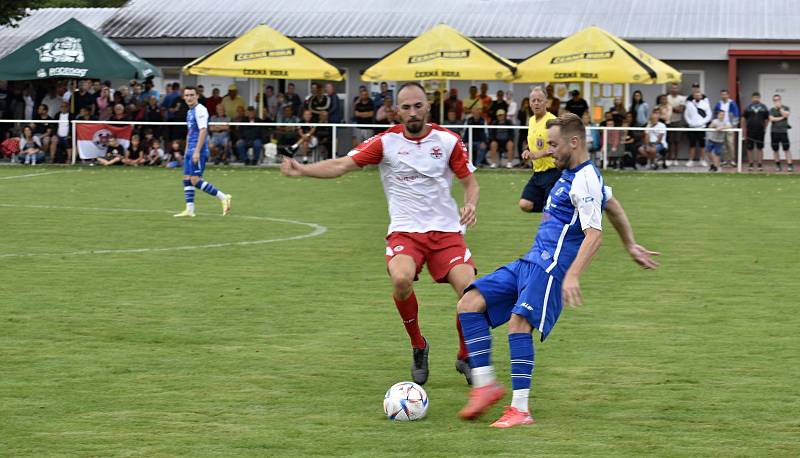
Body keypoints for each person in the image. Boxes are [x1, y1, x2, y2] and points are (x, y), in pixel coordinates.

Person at [455, 112, 660, 428]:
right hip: (531, 260)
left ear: (574, 142)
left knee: (518, 323)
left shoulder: (585, 179)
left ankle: (520, 410)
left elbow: (595, 234)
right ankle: (484, 387)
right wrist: (631, 244)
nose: (549, 151)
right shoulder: (573, 175)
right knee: (469, 302)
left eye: (554, 145)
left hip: (551, 267)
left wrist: (573, 274)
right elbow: (612, 204)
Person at [281, 82, 480, 386]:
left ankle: (465, 355)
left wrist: (470, 203)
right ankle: (418, 346)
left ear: (428, 106)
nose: (412, 112)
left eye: (417, 106)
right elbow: (342, 165)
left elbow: (470, 182)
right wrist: (303, 170)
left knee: (470, 290)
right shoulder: (385, 142)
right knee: (400, 279)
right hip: (405, 232)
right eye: (406, 107)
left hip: (446, 231)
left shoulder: (449, 140)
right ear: (396, 110)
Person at [173, 86, 232, 218]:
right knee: (187, 178)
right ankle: (189, 209)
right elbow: (190, 132)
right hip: (191, 149)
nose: (189, 97)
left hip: (198, 148)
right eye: (187, 95)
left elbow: (203, 131)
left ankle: (224, 197)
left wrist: (196, 151)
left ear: (197, 96)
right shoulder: (190, 111)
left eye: (191, 95)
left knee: (195, 180)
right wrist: (188, 150)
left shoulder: (200, 110)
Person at [519, 87, 557, 213]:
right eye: (533, 100)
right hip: (537, 173)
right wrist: (527, 150)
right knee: (525, 204)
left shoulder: (552, 121)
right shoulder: (531, 120)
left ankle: (553, 211)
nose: (536, 103)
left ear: (546, 102)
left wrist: (539, 154)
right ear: (529, 103)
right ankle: (554, 209)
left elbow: (559, 147)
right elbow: (534, 142)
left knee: (550, 214)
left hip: (553, 172)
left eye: (539, 100)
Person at [684, 86, 712, 167]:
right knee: (692, 144)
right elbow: (686, 114)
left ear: (701, 96)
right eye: (695, 95)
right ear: (693, 96)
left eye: (699, 95)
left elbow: (709, 115)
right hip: (691, 127)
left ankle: (702, 160)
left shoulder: (705, 104)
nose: (697, 96)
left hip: (702, 127)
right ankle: (691, 160)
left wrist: (702, 123)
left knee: (702, 145)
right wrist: (690, 123)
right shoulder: (689, 104)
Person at [713, 89, 740, 167]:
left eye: (725, 94)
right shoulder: (719, 103)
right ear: (720, 95)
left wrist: (733, 126)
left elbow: (736, 115)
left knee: (730, 144)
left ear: (728, 95)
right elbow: (715, 114)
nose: (724, 96)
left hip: (729, 127)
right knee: (723, 144)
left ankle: (731, 160)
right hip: (720, 127)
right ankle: (725, 160)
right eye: (722, 94)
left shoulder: (732, 103)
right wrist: (716, 124)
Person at [743, 92, 769, 172]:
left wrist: (765, 128)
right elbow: (743, 118)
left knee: (760, 148)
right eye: (754, 97)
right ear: (752, 98)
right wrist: (743, 129)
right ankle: (751, 163)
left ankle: (759, 164)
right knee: (750, 148)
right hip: (750, 130)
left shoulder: (764, 107)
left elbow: (767, 119)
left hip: (760, 131)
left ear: (759, 98)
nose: (756, 99)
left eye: (757, 97)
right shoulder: (748, 107)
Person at [769, 94, 793, 172]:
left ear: (780, 100)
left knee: (786, 149)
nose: (777, 101)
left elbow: (786, 114)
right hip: (774, 132)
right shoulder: (771, 110)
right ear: (773, 101)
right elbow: (772, 119)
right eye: (775, 100)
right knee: (775, 149)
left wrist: (780, 109)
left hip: (783, 132)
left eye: (778, 99)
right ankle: (778, 165)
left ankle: (789, 165)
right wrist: (782, 118)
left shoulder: (786, 108)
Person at [666, 83, 686, 166]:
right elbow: (665, 109)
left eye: (676, 88)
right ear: (670, 89)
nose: (674, 90)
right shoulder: (667, 98)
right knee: (669, 141)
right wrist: (674, 108)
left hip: (678, 122)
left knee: (677, 141)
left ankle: (676, 159)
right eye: (673, 88)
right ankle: (669, 158)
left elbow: (680, 110)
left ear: (678, 90)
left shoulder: (682, 98)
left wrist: (671, 107)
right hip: (669, 121)